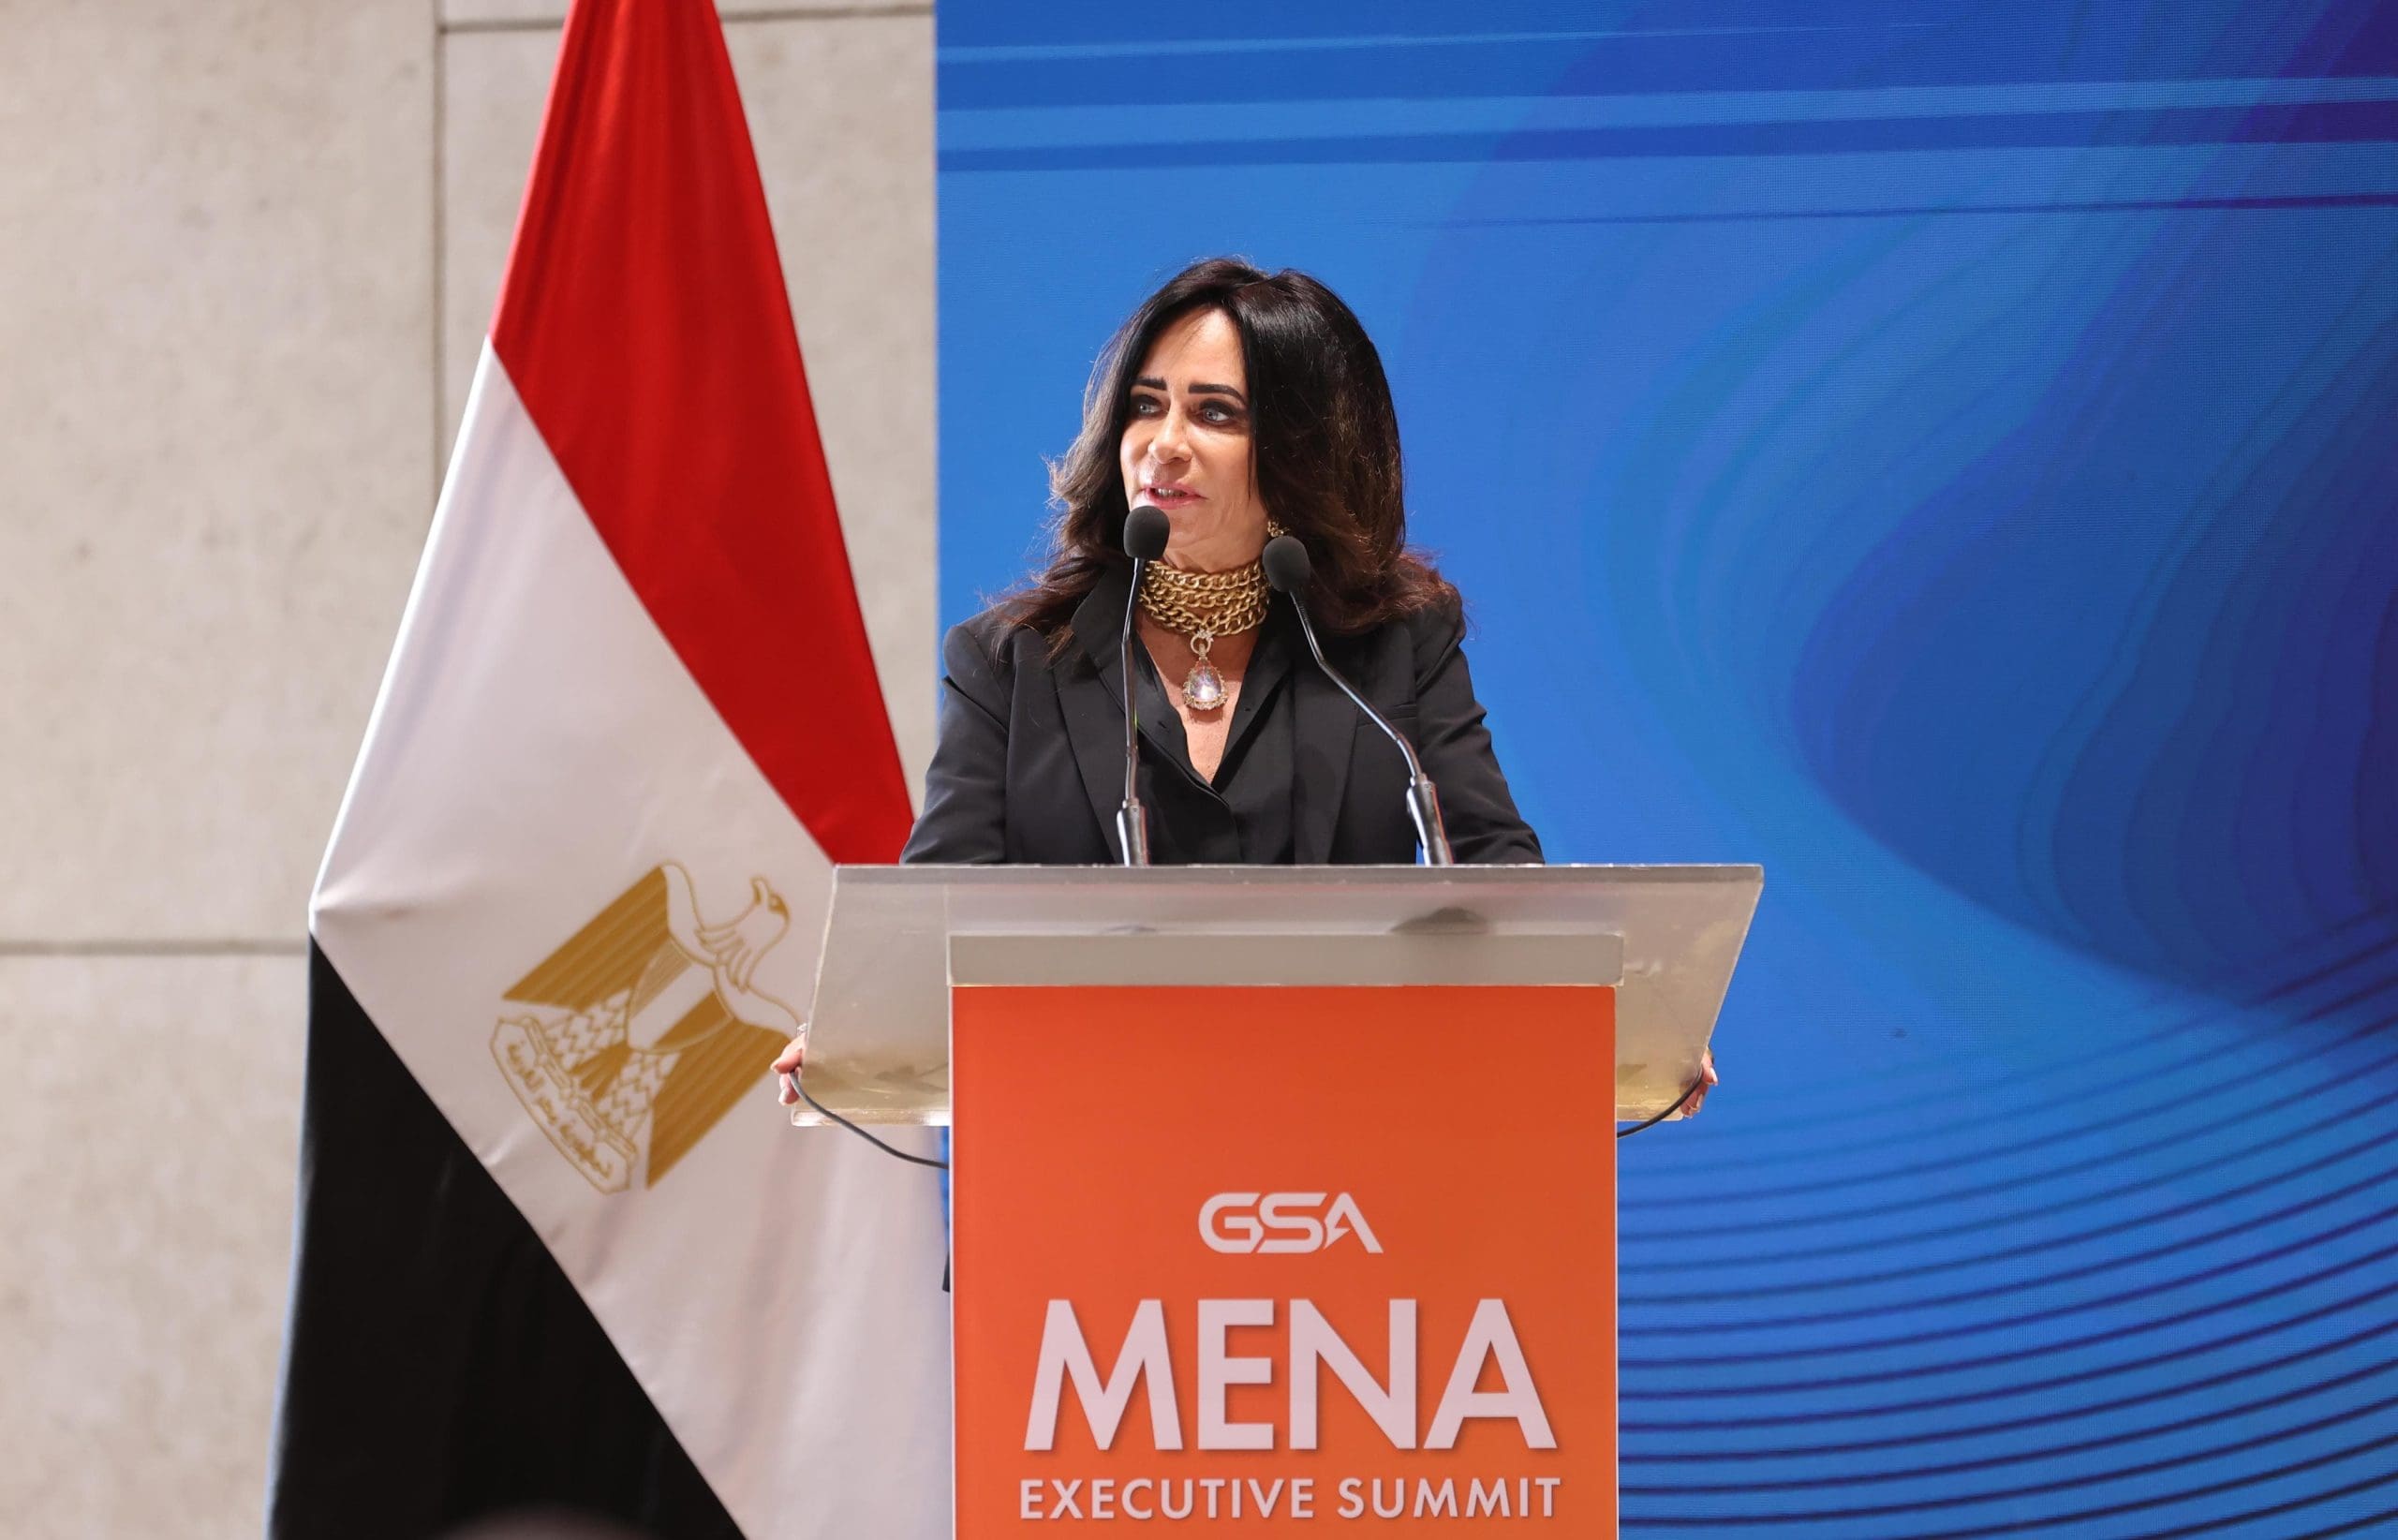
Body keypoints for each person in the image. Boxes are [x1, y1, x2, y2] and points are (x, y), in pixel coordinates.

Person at [777, 256, 1712, 1114]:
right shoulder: (1010, 661)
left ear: (1305, 449)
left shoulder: (1391, 648)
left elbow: (1495, 875)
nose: (1163, 443)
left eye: (1215, 413)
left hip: (1358, 1150)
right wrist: (869, 1035)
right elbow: (938, 918)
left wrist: (1612, 1028)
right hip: (1084, 1155)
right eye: (1146, 406)